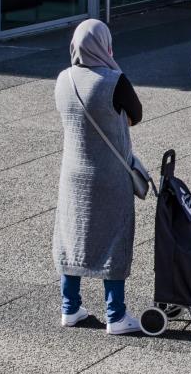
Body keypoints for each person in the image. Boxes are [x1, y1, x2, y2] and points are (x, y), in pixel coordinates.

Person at [53, 19, 143, 335]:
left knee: (72, 237)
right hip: (109, 175)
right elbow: (136, 115)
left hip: (73, 175)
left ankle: (70, 308)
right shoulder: (115, 80)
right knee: (114, 237)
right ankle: (116, 315)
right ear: (105, 45)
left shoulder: (63, 79)